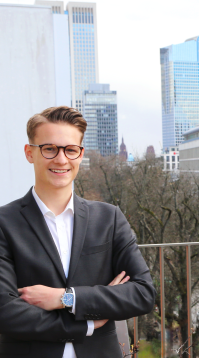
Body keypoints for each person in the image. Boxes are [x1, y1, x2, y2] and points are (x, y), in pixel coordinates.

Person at [0, 107, 156, 357]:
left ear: (81, 154)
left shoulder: (109, 218)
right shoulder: (4, 223)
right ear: (30, 153)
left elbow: (142, 293)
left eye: (70, 150)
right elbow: (6, 312)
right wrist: (87, 324)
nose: (61, 159)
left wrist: (67, 298)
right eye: (49, 148)